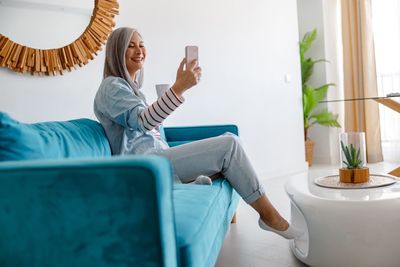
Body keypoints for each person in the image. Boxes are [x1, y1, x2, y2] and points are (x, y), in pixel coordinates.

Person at [93, 27, 301, 239]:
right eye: (131, 45)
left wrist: (169, 95)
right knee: (229, 145)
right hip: (146, 166)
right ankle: (270, 216)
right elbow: (144, 122)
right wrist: (178, 89)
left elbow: (149, 128)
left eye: (142, 44)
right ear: (117, 52)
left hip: (157, 157)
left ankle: (187, 183)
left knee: (229, 138)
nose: (139, 50)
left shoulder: (131, 89)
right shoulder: (112, 86)